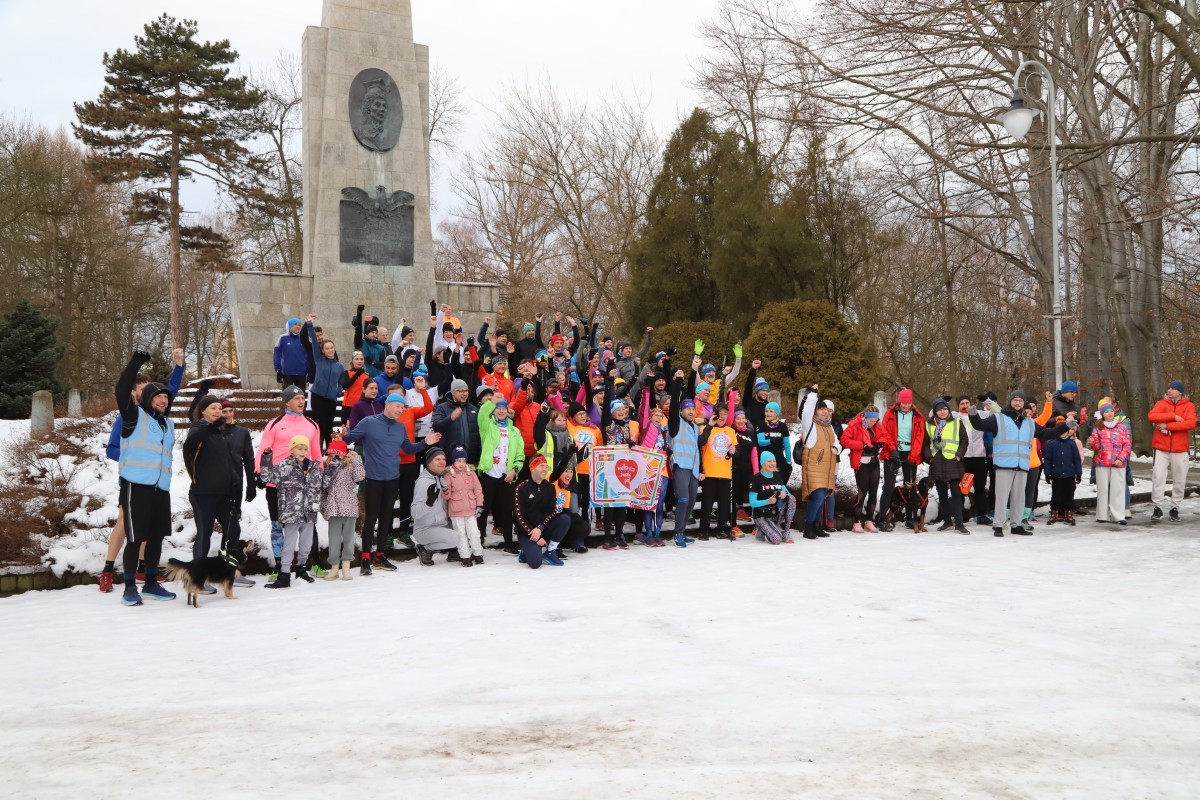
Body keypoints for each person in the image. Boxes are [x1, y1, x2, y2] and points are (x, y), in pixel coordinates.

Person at [98, 348, 185, 593]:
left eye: (164, 397)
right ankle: (109, 571)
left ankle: (146, 576)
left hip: (159, 486)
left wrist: (178, 367)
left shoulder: (163, 422)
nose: (163, 399)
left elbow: (170, 394)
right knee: (125, 527)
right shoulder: (131, 416)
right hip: (134, 482)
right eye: (154, 394)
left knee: (153, 535)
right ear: (141, 394)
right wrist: (136, 361)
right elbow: (114, 448)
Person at [343, 393, 439, 574]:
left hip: (392, 478)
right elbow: (349, 439)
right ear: (387, 405)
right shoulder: (369, 422)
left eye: (403, 407)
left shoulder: (400, 427)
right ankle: (365, 559)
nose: (401, 410)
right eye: (398, 406)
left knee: (386, 518)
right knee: (371, 519)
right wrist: (345, 434)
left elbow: (409, 448)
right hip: (373, 478)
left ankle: (379, 556)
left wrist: (425, 443)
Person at [966, 392, 1074, 537]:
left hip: (1022, 464)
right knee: (1002, 496)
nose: (1017, 403)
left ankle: (1016, 524)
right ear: (1010, 402)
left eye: (1020, 401)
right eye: (1015, 400)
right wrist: (973, 414)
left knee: (1019, 497)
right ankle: (998, 525)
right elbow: (980, 425)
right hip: (1004, 464)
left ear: (1023, 403)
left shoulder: (1029, 422)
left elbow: (1047, 433)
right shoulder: (999, 418)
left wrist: (1065, 426)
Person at [255, 385, 323, 578]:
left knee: (307, 523)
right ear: (287, 401)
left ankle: (307, 563)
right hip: (278, 483)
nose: (302, 401)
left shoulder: (312, 425)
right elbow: (263, 450)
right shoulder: (275, 423)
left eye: (303, 398)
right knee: (278, 524)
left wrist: (318, 477)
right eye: (297, 398)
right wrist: (259, 470)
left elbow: (317, 454)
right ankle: (280, 564)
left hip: (303, 485)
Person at [182, 395, 245, 592]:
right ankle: (197, 579)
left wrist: (236, 488)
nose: (218, 411)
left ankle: (230, 571)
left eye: (220, 408)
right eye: (213, 408)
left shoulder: (221, 433)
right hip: (203, 494)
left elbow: (229, 464)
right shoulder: (199, 429)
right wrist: (210, 427)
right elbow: (190, 445)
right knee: (205, 533)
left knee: (233, 531)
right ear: (203, 412)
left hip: (224, 494)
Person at [259, 437, 323, 588]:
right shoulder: (283, 467)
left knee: (306, 545)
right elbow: (266, 477)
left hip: (309, 514)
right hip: (291, 513)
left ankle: (301, 569)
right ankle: (285, 575)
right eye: (299, 448)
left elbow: (325, 483)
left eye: (305, 449)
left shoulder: (314, 468)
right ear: (292, 450)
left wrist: (334, 462)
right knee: (288, 546)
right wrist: (267, 457)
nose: (302, 451)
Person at [477, 396, 525, 554]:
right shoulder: (488, 426)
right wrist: (492, 400)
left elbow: (520, 454)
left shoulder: (514, 431)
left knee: (507, 510)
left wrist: (514, 470)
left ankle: (508, 543)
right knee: (483, 509)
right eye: (498, 407)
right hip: (489, 474)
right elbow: (483, 414)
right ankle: (478, 541)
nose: (501, 410)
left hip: (507, 476)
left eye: (504, 407)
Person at [513, 455, 577, 568]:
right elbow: (519, 517)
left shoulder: (550, 488)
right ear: (532, 468)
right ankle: (525, 553)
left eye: (546, 466)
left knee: (564, 519)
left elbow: (552, 512)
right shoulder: (521, 488)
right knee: (536, 563)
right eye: (541, 466)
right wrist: (534, 534)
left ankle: (550, 551)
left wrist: (540, 528)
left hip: (542, 528)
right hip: (527, 532)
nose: (545, 469)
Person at [1147, 380, 1196, 522]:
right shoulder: (1161, 403)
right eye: (1168, 388)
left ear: (1180, 392)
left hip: (1180, 448)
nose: (1169, 390)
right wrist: (1173, 417)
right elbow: (1152, 417)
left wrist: (1168, 426)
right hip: (1161, 447)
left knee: (1180, 479)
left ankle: (1175, 507)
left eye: (1173, 389)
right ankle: (1157, 506)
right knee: (1158, 477)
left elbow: (1190, 423)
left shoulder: (1189, 406)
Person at [876, 388, 924, 531]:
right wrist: (893, 450)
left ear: (911, 401)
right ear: (899, 401)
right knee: (889, 486)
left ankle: (910, 519)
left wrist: (912, 457)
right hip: (892, 453)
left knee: (909, 486)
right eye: (903, 402)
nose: (905, 405)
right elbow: (884, 432)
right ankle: (882, 519)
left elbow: (919, 437)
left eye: (908, 402)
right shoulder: (890, 413)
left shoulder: (918, 416)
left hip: (910, 454)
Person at [797, 386, 840, 540]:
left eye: (825, 409)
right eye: (820, 409)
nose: (823, 411)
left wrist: (836, 448)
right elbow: (806, 411)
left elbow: (838, 442)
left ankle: (816, 525)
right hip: (814, 466)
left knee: (822, 497)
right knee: (817, 496)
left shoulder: (828, 426)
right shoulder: (810, 424)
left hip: (827, 468)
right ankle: (808, 526)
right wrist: (812, 394)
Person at [319, 436, 364, 580]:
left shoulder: (350, 465)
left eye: (337, 454)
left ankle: (346, 567)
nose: (334, 457)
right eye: (331, 454)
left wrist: (357, 460)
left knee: (349, 538)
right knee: (334, 539)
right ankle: (334, 568)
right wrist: (333, 464)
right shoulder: (327, 467)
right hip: (333, 508)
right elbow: (324, 484)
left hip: (349, 506)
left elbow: (360, 477)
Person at [411, 447, 467, 565]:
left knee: (465, 528)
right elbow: (414, 513)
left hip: (441, 524)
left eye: (443, 459)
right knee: (457, 538)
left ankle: (453, 552)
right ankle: (425, 549)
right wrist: (428, 503)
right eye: (437, 459)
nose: (442, 462)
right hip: (425, 529)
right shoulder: (423, 482)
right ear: (429, 462)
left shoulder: (440, 477)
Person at [922, 399, 970, 534]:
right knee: (941, 493)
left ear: (948, 410)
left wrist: (959, 455)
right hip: (937, 461)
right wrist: (929, 458)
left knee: (956, 493)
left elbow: (964, 440)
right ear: (935, 412)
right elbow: (925, 443)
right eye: (939, 409)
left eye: (945, 409)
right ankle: (947, 521)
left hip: (953, 460)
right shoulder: (929, 424)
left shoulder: (957, 422)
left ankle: (959, 523)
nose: (943, 412)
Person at [301, 315, 343, 448]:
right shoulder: (319, 360)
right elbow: (313, 341)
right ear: (323, 351)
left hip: (331, 399)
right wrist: (309, 325)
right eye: (327, 348)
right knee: (319, 425)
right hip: (318, 396)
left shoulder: (339, 366)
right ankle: (317, 452)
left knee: (330, 426)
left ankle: (330, 453)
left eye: (332, 348)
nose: (330, 350)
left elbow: (342, 381)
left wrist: (338, 391)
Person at [841, 403, 884, 532]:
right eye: (871, 421)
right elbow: (844, 440)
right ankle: (856, 521)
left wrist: (880, 444)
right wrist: (861, 445)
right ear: (865, 417)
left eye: (875, 421)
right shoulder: (854, 425)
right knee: (862, 492)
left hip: (874, 461)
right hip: (861, 462)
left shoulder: (876, 425)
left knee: (873, 491)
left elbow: (884, 436)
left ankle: (869, 520)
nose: (873, 423)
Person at [1089, 403, 1133, 525]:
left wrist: (1121, 458)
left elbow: (1127, 445)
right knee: (1103, 489)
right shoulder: (1098, 428)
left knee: (1118, 489)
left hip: (1118, 463)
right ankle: (1102, 515)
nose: (1109, 413)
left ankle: (1118, 516)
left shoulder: (1121, 427)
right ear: (1102, 414)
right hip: (1102, 462)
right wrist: (1092, 443)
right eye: (1106, 411)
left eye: (1111, 411)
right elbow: (1096, 447)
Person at [698, 404, 736, 540]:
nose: (722, 416)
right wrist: (710, 425)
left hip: (725, 473)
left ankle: (722, 529)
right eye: (720, 413)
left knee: (724, 504)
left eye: (725, 413)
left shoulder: (730, 431)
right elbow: (700, 443)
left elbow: (735, 451)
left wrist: (734, 451)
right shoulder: (705, 428)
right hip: (709, 472)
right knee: (707, 504)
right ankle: (704, 530)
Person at [443, 444, 485, 567]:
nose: (461, 463)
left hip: (470, 509)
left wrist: (479, 504)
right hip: (456, 511)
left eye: (463, 460)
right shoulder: (449, 474)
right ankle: (465, 556)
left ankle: (478, 554)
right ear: (453, 461)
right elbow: (446, 496)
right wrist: (445, 491)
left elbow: (478, 489)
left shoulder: (471, 473)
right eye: (458, 461)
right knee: (460, 534)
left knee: (474, 532)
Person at [957, 395, 993, 525]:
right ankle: (959, 515)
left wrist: (986, 401)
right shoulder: (955, 416)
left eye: (967, 402)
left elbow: (995, 411)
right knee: (961, 487)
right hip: (963, 458)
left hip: (979, 457)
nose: (965, 405)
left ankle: (981, 515)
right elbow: (936, 413)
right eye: (962, 403)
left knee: (980, 488)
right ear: (958, 406)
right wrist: (944, 401)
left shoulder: (979, 414)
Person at [431, 378, 481, 466]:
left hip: (469, 459)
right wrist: (451, 418)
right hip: (450, 458)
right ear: (453, 392)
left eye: (466, 391)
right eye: (461, 391)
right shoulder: (442, 408)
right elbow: (436, 427)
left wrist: (477, 457)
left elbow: (477, 436)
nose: (465, 393)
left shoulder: (474, 409)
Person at [749, 452, 796, 544]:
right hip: (761, 515)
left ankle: (786, 531)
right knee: (777, 540)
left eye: (774, 461)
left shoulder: (777, 476)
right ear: (763, 463)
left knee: (791, 498)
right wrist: (767, 501)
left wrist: (784, 493)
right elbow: (752, 502)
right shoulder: (756, 478)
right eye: (769, 461)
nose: (772, 463)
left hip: (775, 513)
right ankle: (761, 530)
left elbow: (788, 494)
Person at [1043, 417, 1082, 526]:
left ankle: (1068, 511)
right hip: (1057, 474)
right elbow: (1047, 459)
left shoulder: (1071, 443)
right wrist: (1047, 472)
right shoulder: (1051, 443)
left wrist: (1078, 473)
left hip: (1069, 473)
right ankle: (1055, 511)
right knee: (1056, 494)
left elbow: (1076, 459)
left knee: (1068, 494)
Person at [274, 317, 308, 389]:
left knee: (301, 395)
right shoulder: (282, 338)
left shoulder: (303, 338)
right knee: (288, 396)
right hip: (287, 373)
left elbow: (307, 355)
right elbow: (277, 354)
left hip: (301, 373)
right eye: (295, 324)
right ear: (289, 326)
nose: (298, 326)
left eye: (299, 324)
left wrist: (308, 370)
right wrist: (278, 370)